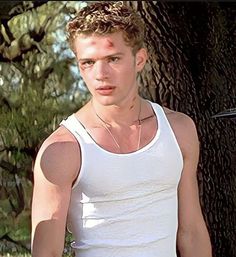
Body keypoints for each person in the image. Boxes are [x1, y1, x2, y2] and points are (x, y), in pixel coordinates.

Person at [31, 2, 212, 257]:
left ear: (139, 59)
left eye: (113, 59)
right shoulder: (63, 150)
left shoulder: (179, 130)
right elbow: (46, 253)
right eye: (88, 63)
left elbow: (191, 232)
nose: (100, 74)